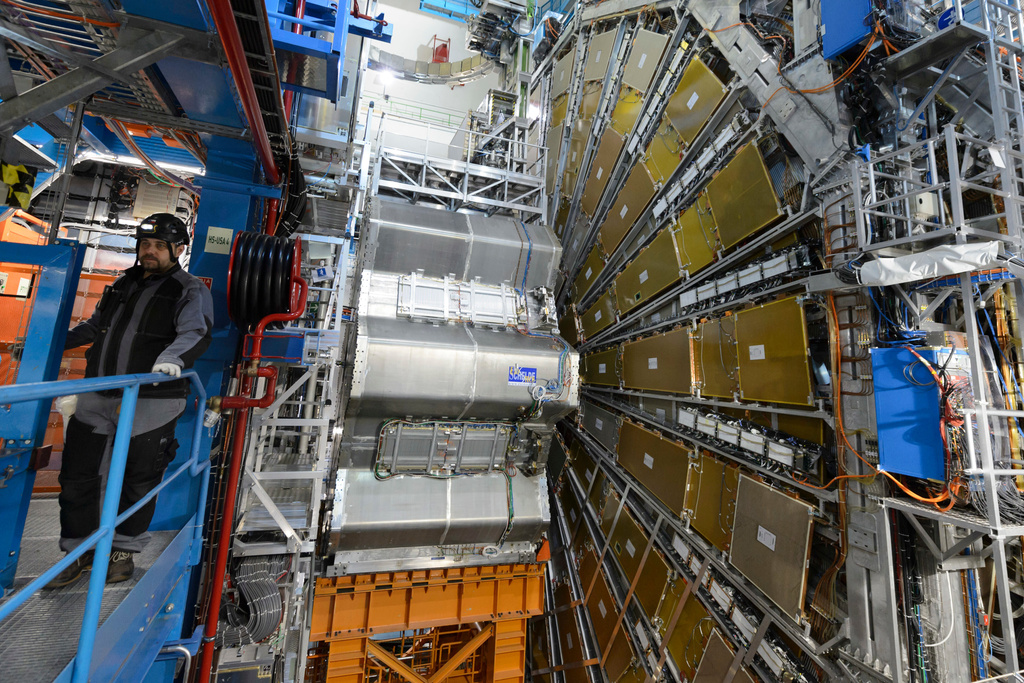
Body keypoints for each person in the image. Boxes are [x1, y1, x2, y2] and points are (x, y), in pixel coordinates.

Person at [45, 213, 214, 588]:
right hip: (99, 391)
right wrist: (56, 342)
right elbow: (95, 327)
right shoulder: (123, 284)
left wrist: (171, 359)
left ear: (178, 250)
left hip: (152, 399)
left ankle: (122, 552)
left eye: (158, 246)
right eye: (144, 245)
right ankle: (77, 551)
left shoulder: (189, 290)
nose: (149, 252)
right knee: (78, 473)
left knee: (138, 477)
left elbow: (195, 331)